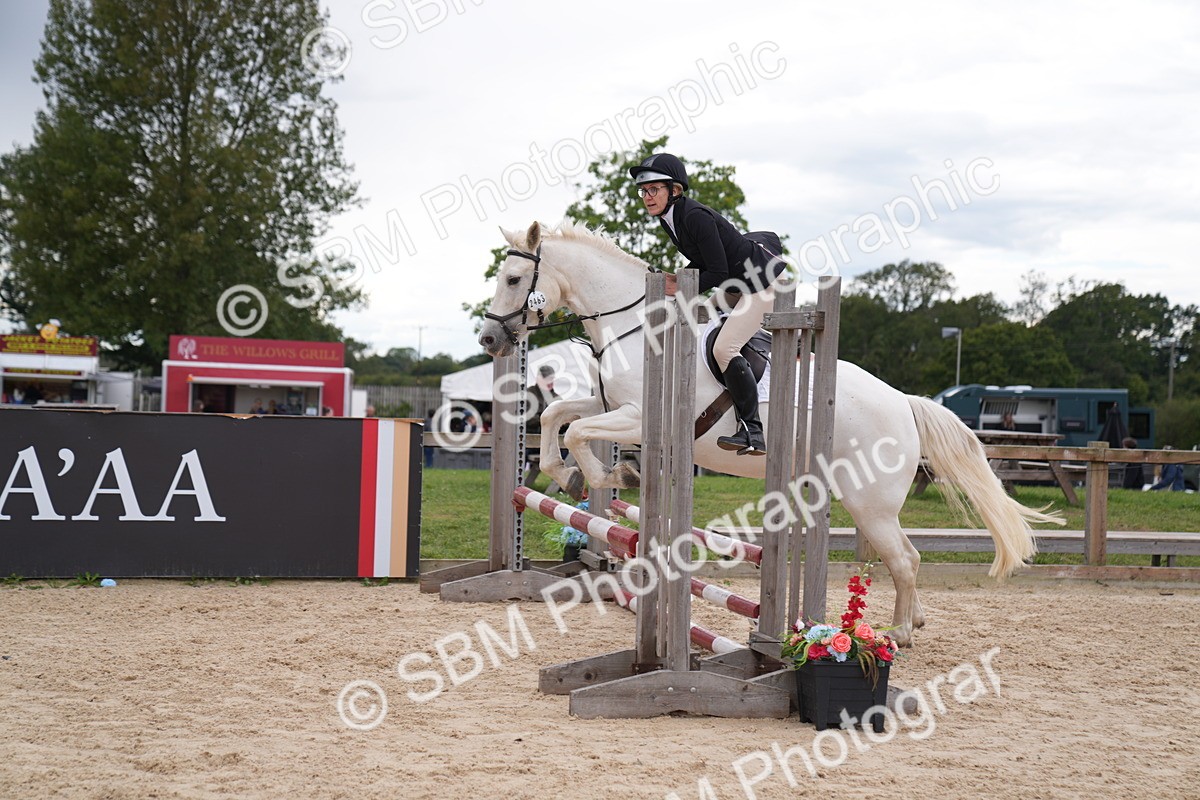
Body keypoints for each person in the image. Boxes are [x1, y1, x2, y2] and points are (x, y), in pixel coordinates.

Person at [630, 152, 785, 456]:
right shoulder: (670, 219)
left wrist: (680, 285)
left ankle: (752, 431)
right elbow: (704, 261)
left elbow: (717, 271)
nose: (647, 197)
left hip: (761, 285)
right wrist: (679, 278)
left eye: (654, 189)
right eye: (643, 191)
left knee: (723, 349)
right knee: (700, 320)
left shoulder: (694, 216)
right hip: (736, 286)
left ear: (675, 190)